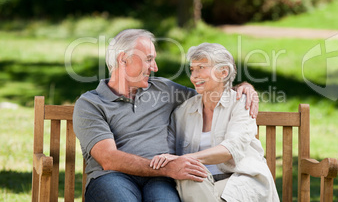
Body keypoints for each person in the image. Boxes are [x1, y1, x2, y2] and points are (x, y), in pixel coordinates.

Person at [72, 29, 259, 202]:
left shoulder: (163, 89)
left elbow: (211, 93)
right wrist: (169, 167)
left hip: (160, 179)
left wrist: (242, 88)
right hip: (112, 177)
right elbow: (109, 158)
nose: (155, 67)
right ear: (123, 60)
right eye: (148, 59)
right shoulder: (90, 104)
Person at [150, 43, 280, 202]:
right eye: (192, 69)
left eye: (201, 67)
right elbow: (168, 152)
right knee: (188, 175)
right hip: (200, 184)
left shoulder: (241, 104)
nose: (194, 76)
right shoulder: (183, 111)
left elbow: (230, 149)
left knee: (189, 170)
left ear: (223, 72)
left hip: (241, 179)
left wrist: (184, 159)